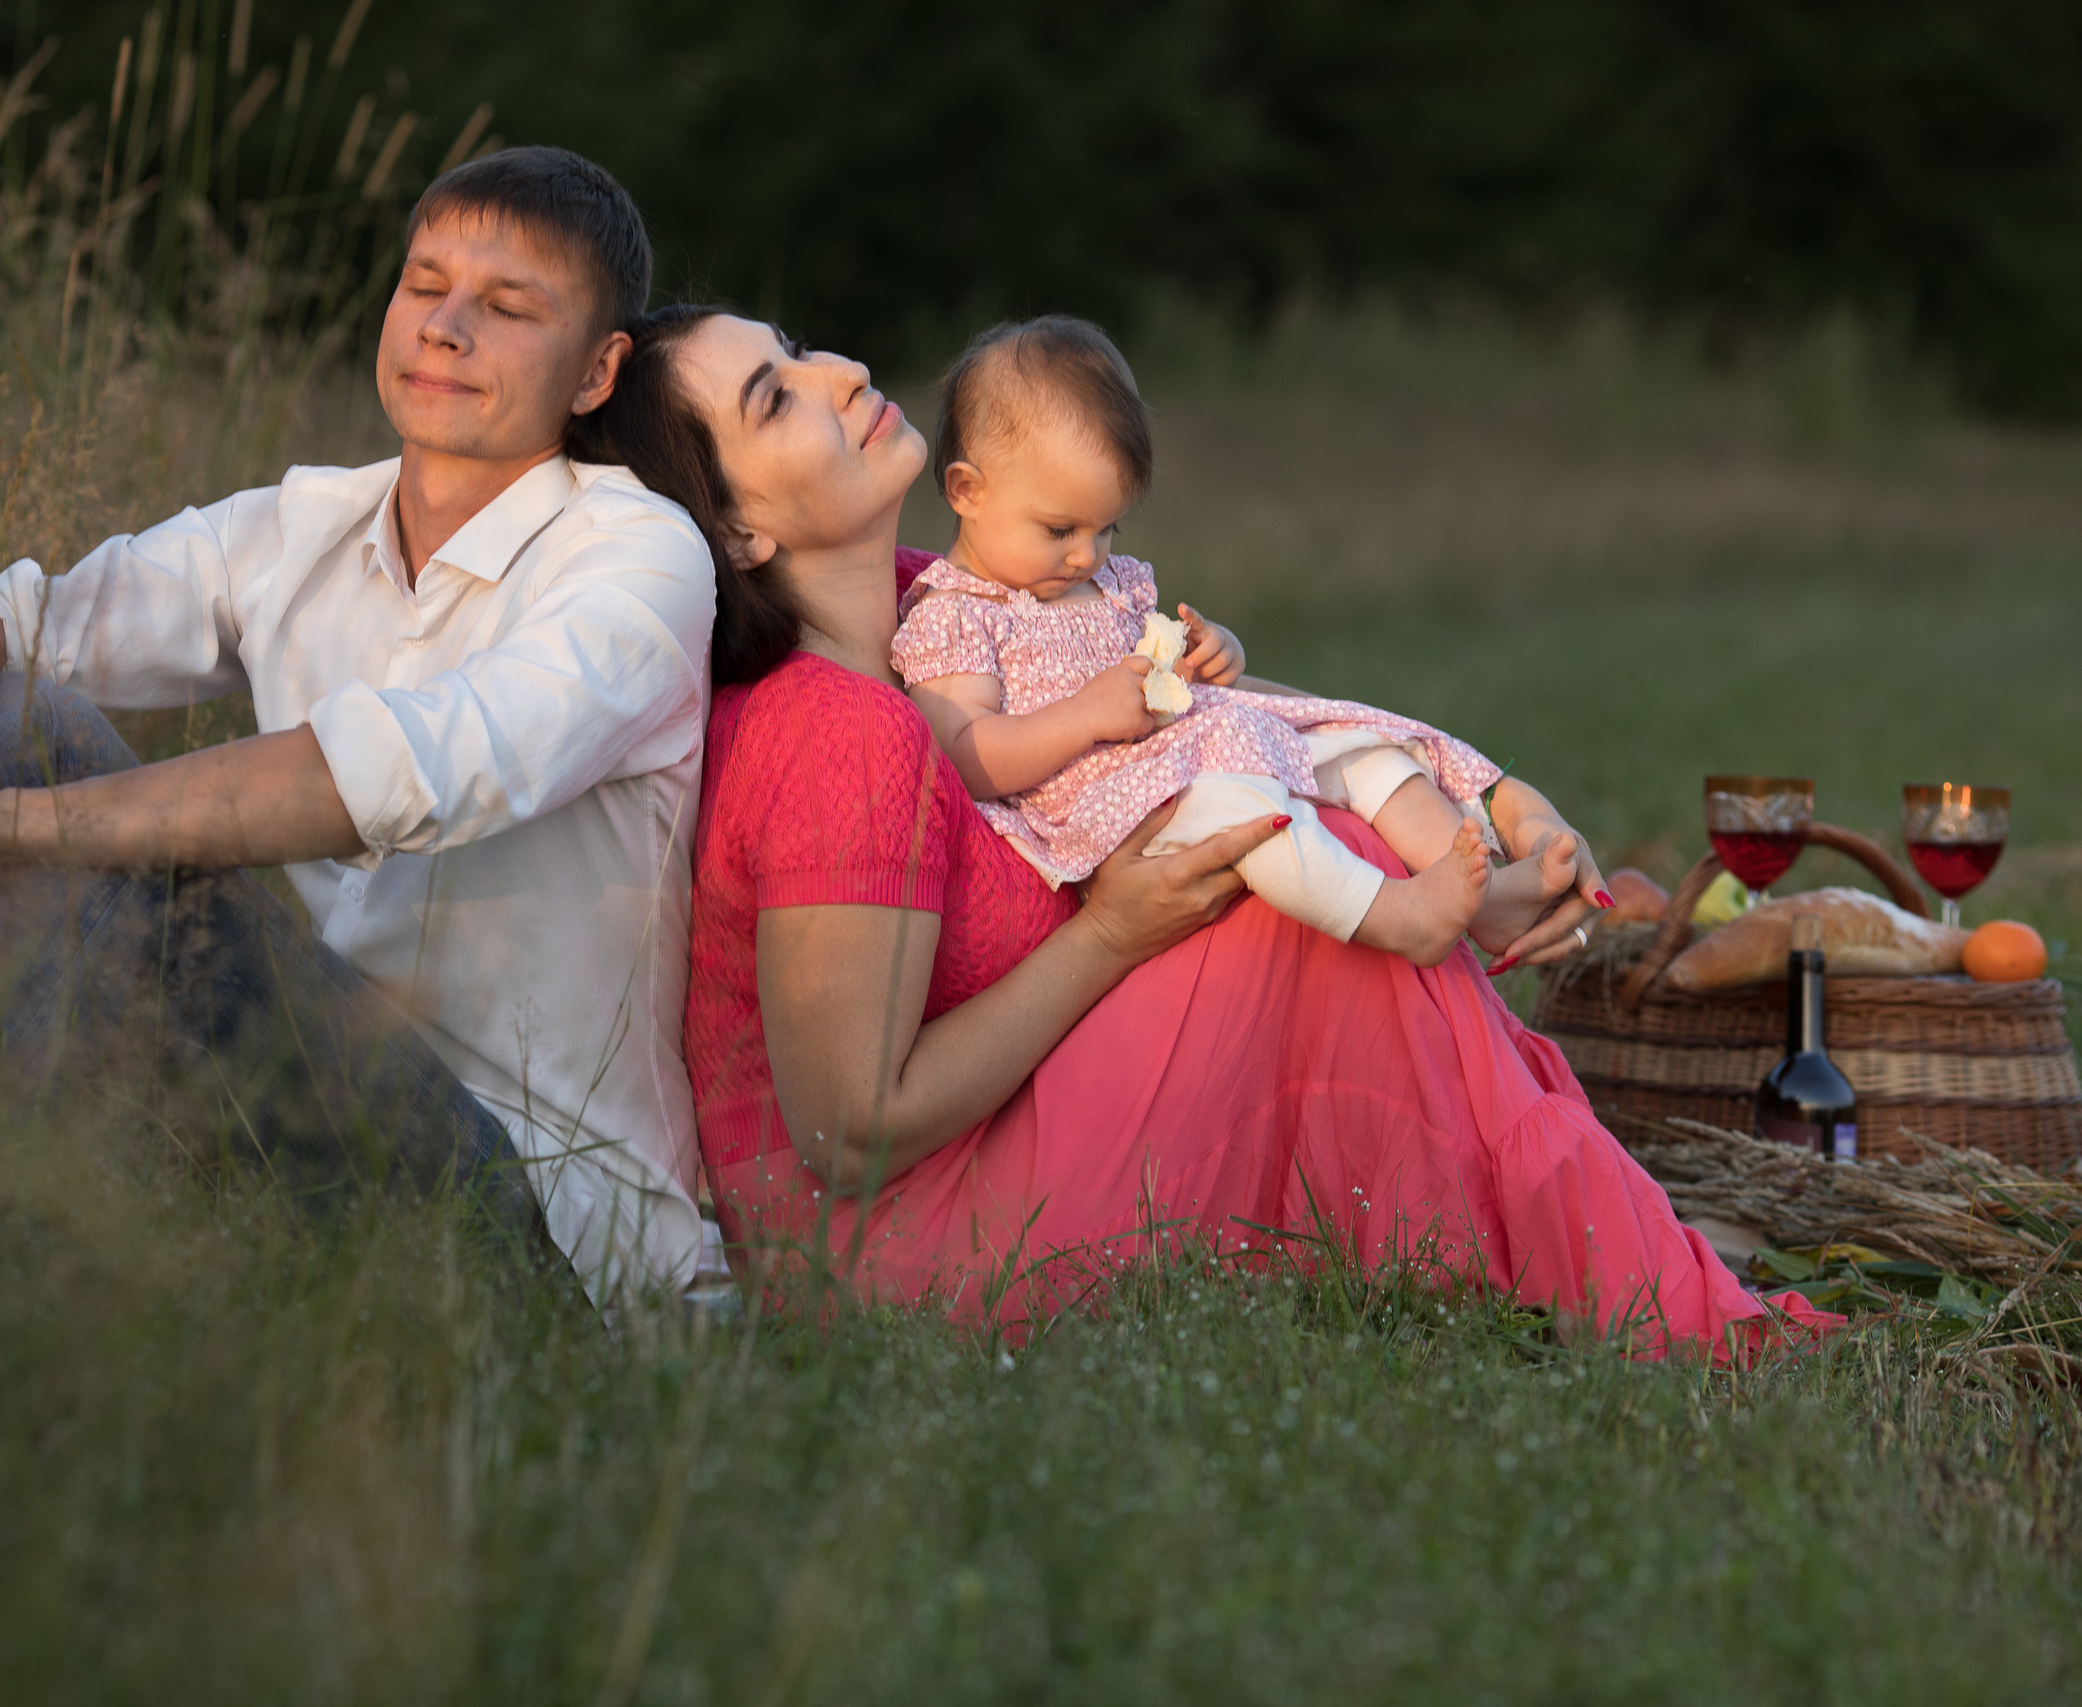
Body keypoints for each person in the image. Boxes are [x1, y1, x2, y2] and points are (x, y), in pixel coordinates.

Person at [566, 304, 1838, 1361]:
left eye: (799, 348)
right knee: (1301, 918)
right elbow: (850, 1134)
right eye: (777, 398)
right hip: (888, 1252)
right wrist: (1114, 934)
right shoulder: (836, 731)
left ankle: (1585, 1242)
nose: (840, 375)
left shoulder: (932, 612)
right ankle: (1637, 1283)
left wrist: (1473, 797)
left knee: (1303, 845)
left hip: (976, 1150)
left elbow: (1206, 727)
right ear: (737, 529)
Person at [0, 149, 717, 1309]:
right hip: (288, 1114)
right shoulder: (303, 525)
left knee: (84, 804)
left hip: (535, 1220)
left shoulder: (637, 557)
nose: (444, 329)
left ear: (599, 371)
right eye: (423, 286)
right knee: (10, 712)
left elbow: (396, 776)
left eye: (506, 309)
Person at [894, 315, 1589, 968]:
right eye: (1060, 530)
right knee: (1247, 813)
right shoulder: (956, 614)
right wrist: (1083, 715)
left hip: (1200, 744)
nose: (1086, 554)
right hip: (1122, 809)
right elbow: (967, 753)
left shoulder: (1106, 584)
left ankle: (1486, 899)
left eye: (1107, 529)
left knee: (1360, 754)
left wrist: (1212, 655)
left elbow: (1178, 677)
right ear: (968, 491)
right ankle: (1393, 915)